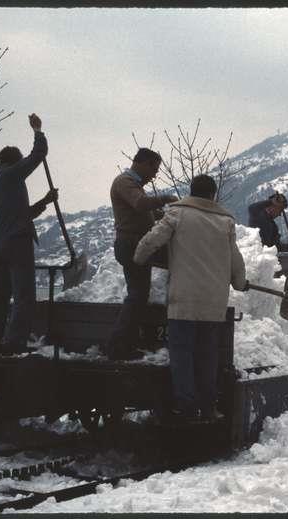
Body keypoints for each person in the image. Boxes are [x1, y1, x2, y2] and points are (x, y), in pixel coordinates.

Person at [134, 174, 248, 421]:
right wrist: (239, 282)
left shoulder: (178, 214)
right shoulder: (225, 222)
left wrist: (139, 258)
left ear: (191, 192)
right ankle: (208, 407)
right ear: (212, 195)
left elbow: (151, 240)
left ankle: (186, 407)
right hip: (213, 304)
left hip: (184, 301)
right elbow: (235, 258)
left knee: (182, 353)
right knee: (208, 354)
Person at [0, 113, 57, 355]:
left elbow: (20, 214)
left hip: (1, 245)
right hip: (17, 244)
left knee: (0, 297)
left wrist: (44, 201)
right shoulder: (11, 174)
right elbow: (38, 155)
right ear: (14, 162)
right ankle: (14, 346)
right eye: (20, 162)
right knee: (25, 297)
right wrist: (37, 130)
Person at [107, 148, 178, 360]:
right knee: (137, 295)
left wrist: (166, 215)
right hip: (130, 244)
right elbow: (140, 204)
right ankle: (118, 347)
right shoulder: (125, 182)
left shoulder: (134, 185)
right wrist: (167, 198)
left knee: (138, 295)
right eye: (154, 168)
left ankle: (124, 345)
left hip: (135, 243)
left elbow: (146, 210)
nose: (155, 174)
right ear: (143, 163)